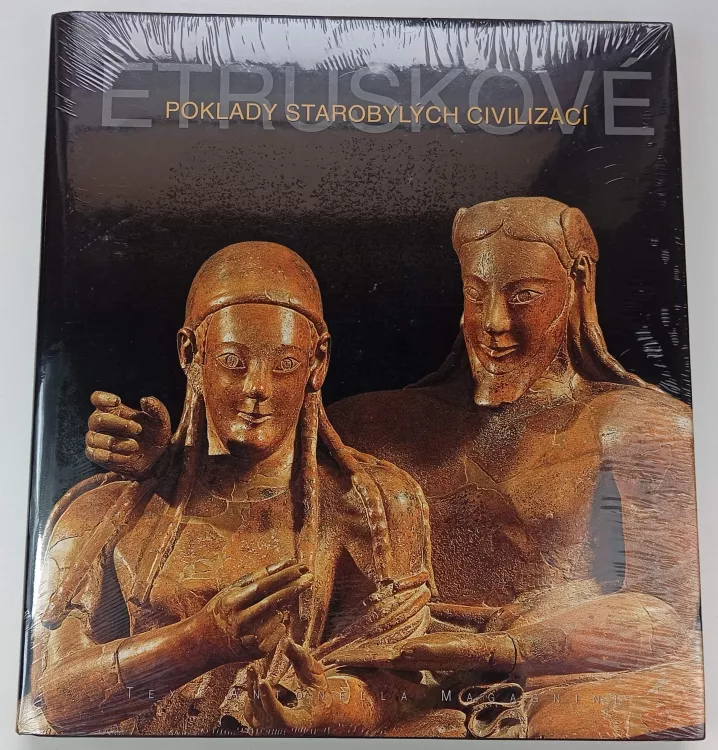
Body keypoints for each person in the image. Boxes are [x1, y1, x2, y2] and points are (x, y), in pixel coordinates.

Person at [327, 198, 704, 739]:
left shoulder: (640, 428)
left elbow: (666, 615)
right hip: (396, 675)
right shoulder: (370, 424)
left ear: (575, 287)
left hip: (559, 672)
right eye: (476, 293)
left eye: (524, 295)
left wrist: (502, 648)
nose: (494, 323)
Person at [27, 242, 436, 737]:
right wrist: (199, 641)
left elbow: (407, 686)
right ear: (191, 354)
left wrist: (324, 706)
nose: (257, 387)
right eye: (232, 361)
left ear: (318, 362)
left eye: (285, 364)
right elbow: (54, 698)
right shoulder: (110, 509)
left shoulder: (375, 505)